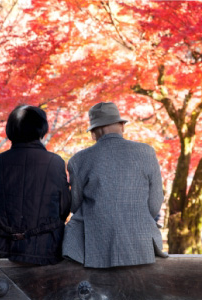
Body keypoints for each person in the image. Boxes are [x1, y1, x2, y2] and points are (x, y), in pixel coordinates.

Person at [62, 102, 167, 268]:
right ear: (122, 126)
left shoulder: (79, 160)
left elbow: (75, 205)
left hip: (95, 245)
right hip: (140, 243)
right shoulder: (146, 152)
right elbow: (155, 203)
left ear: (94, 132)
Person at [0, 105, 71, 265]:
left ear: (10, 129)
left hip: (0, 248)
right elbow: (64, 208)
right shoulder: (55, 162)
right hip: (45, 249)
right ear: (41, 129)